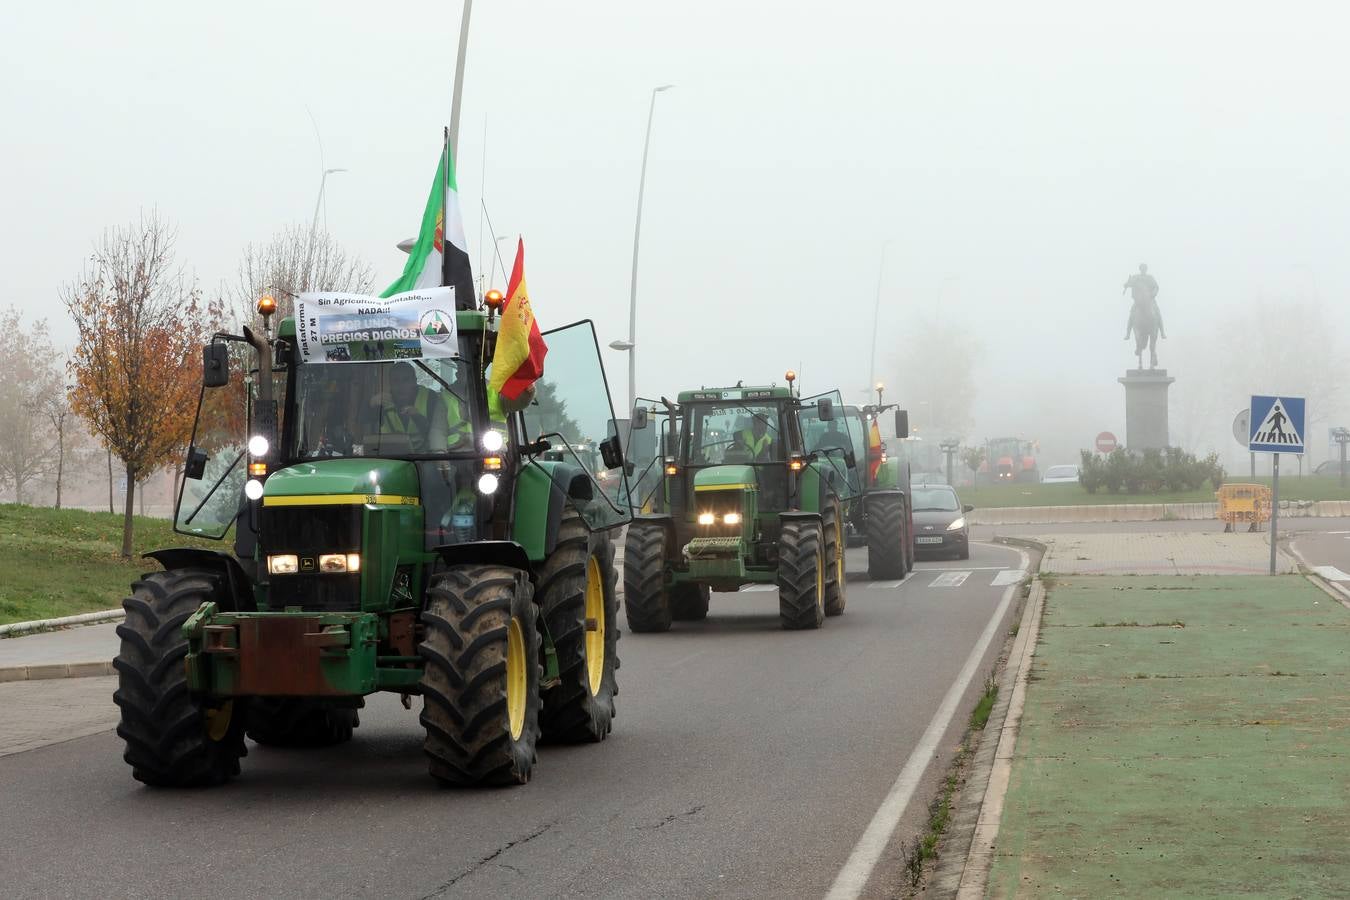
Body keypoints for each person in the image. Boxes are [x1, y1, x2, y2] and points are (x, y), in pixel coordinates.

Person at [373, 361, 470, 452]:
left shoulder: (430, 398)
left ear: (414, 381)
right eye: (396, 381)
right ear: (390, 383)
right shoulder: (381, 401)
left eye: (406, 380)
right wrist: (370, 404)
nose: (401, 385)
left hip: (425, 456)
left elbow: (436, 433)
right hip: (391, 456)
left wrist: (417, 417)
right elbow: (362, 429)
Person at [1122, 263, 1165, 340]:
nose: (1143, 270)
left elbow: (1156, 287)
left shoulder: (1150, 278)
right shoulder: (1136, 277)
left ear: (1146, 269)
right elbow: (1129, 283)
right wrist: (1126, 285)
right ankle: (1128, 333)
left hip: (1150, 300)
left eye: (1144, 268)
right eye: (1142, 268)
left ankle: (1162, 331)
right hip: (1138, 301)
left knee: (1157, 312)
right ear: (1140, 269)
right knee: (1132, 314)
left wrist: (1153, 294)